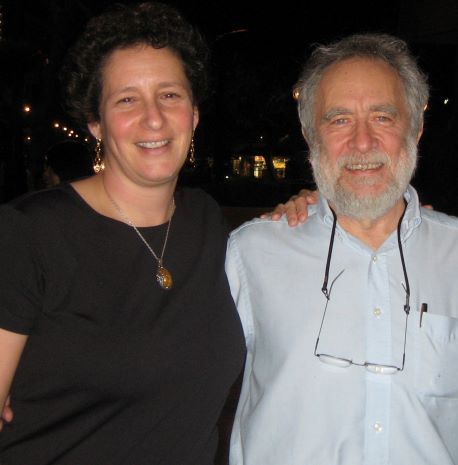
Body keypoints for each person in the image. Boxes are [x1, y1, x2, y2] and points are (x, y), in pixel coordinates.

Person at [225, 33, 458, 465]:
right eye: (339, 120)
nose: (363, 143)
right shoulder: (251, 253)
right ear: (311, 134)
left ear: (417, 126)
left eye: (383, 118)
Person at [0, 3, 245, 464]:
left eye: (170, 95)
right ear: (95, 123)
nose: (153, 118)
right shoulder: (29, 234)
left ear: (193, 115)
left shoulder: (207, 222)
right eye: (127, 99)